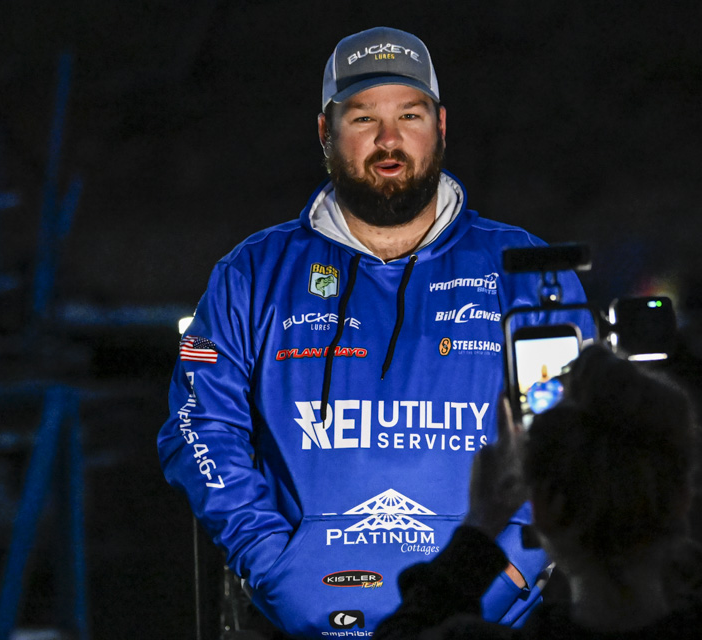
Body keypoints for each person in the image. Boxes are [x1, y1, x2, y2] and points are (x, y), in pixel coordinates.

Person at [157, 26, 592, 637]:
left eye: (409, 115)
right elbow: (198, 427)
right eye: (364, 118)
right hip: (294, 620)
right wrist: (268, 561)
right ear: (325, 131)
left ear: (441, 125)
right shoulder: (250, 274)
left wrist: (513, 571)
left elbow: (571, 441)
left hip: (485, 619)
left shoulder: (525, 270)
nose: (390, 139)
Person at [374, 345, 702, 640]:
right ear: (681, 498)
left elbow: (404, 630)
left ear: (544, 511)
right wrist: (675, 554)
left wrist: (481, 524)